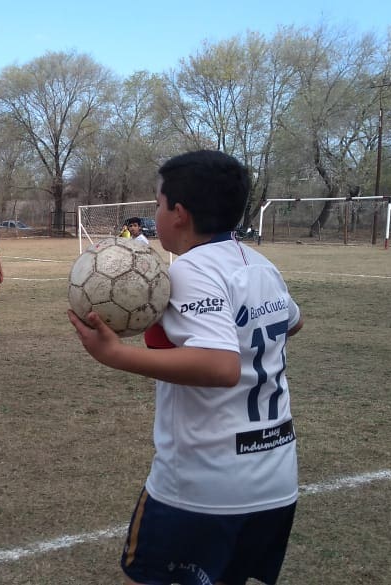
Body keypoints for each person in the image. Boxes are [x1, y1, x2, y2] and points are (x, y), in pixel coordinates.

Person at [69, 150, 304, 585]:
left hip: (205, 487)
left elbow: (221, 367)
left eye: (158, 204)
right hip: (274, 478)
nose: (155, 213)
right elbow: (293, 321)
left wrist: (114, 354)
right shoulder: (258, 264)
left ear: (178, 213)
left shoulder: (194, 269)